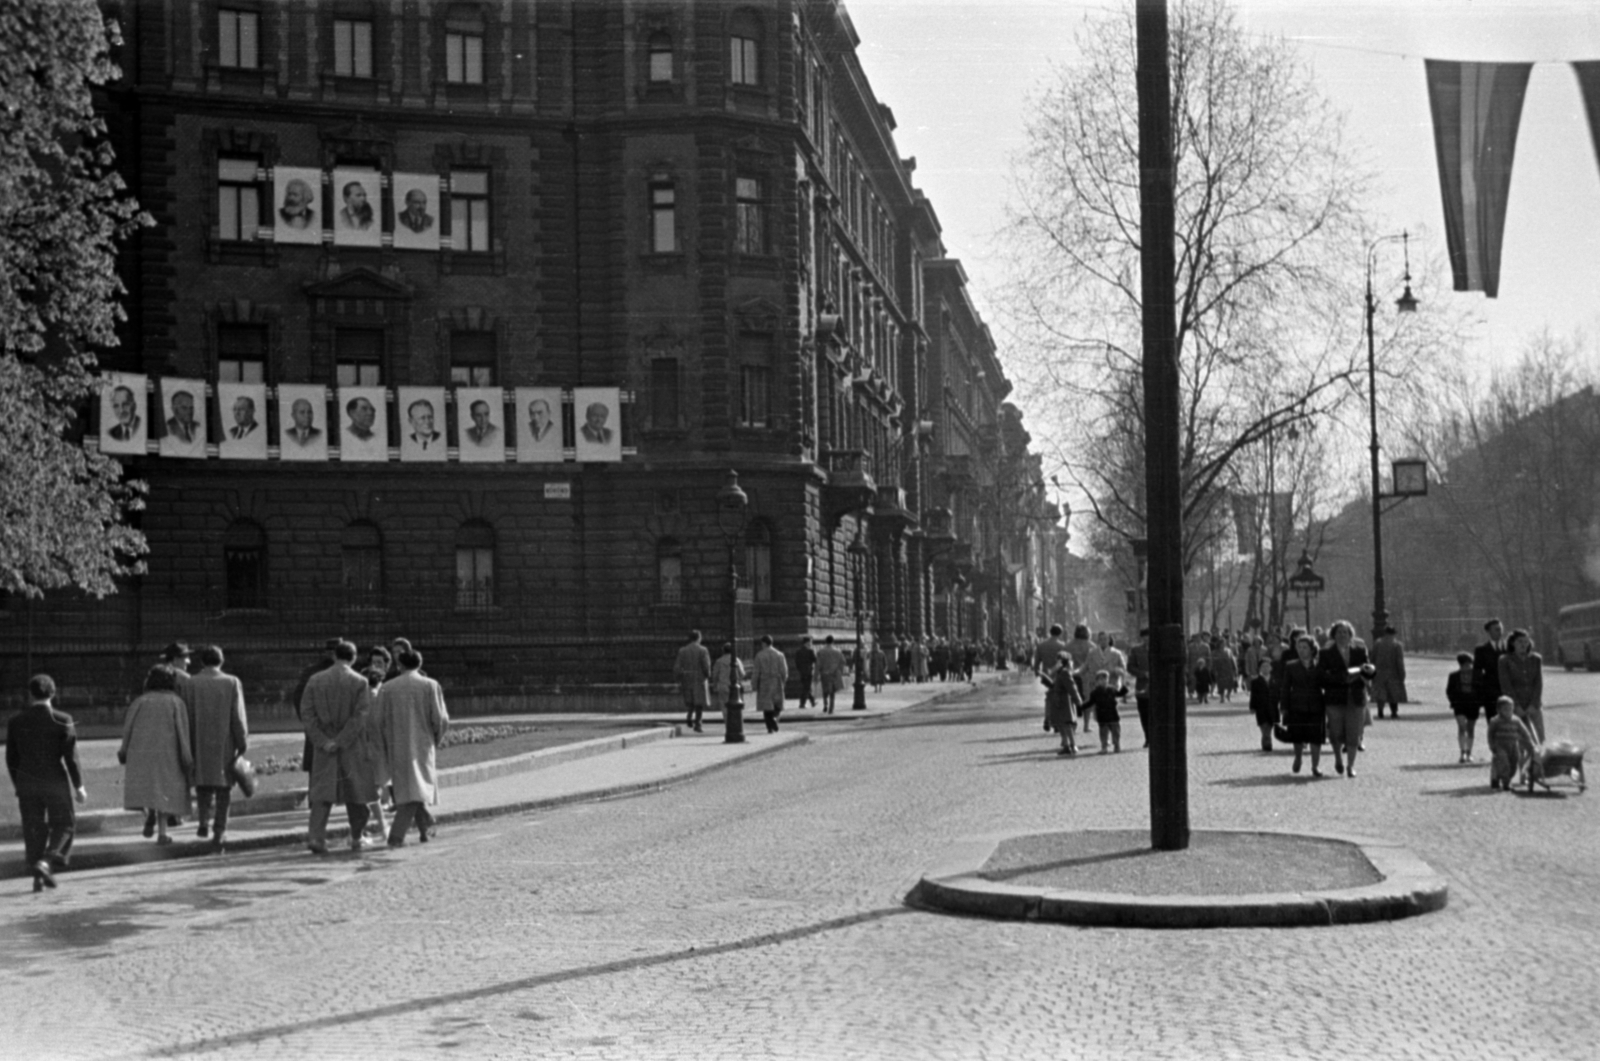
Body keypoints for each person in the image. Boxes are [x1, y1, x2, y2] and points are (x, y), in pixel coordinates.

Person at [7, 675, 85, 891]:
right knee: (65, 823)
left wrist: (18, 784)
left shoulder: (16, 721)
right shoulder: (63, 719)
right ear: (53, 693)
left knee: (33, 828)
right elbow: (71, 758)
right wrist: (79, 785)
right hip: (54, 780)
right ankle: (47, 861)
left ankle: (38, 874)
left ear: (31, 694)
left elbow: (11, 759)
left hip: (26, 782)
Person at [301, 640, 379, 854]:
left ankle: (316, 837)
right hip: (351, 746)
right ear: (353, 658)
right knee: (357, 794)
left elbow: (307, 714)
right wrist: (342, 740)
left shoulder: (315, 680)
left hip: (323, 745)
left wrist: (322, 740)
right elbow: (360, 716)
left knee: (321, 795)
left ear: (334, 656)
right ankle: (356, 836)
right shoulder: (360, 682)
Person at [379, 649, 450, 846]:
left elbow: (377, 720)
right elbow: (441, 719)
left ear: (400, 665)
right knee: (416, 788)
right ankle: (408, 831)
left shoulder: (387, 688)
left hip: (396, 744)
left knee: (409, 788)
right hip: (423, 743)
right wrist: (435, 738)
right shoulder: (430, 685)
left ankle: (416, 829)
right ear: (419, 664)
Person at [119, 666, 193, 845]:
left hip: (141, 751)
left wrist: (123, 750)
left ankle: (149, 814)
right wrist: (187, 757)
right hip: (167, 753)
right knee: (164, 791)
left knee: (150, 787)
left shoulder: (139, 701)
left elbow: (127, 728)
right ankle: (162, 833)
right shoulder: (176, 702)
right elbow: (182, 732)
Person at [186, 645, 248, 851]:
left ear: (202, 662)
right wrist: (242, 741)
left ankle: (203, 820)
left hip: (198, 739)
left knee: (203, 783)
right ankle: (219, 831)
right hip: (225, 742)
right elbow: (237, 716)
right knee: (224, 789)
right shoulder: (231, 682)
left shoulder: (191, 683)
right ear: (221, 661)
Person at [1316, 620, 1373, 778]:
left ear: (1350, 635)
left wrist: (1366, 674)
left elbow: (1368, 670)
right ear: (1333, 635)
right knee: (1336, 732)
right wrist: (1339, 678)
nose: (1342, 635)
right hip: (1335, 698)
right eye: (1339, 632)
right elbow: (1321, 676)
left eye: (1345, 632)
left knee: (1353, 733)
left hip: (1356, 698)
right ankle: (1338, 759)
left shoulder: (1360, 651)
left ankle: (1351, 766)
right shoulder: (1326, 653)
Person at [292, 638, 343, 777]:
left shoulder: (311, 671)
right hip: (335, 728)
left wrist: (308, 720)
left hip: (317, 727)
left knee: (317, 775)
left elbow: (298, 698)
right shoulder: (347, 673)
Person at [1280, 634, 1325, 776]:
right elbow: (1285, 687)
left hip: (1316, 705)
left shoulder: (1320, 666)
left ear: (1312, 649)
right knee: (1298, 736)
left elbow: (1326, 684)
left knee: (1316, 737)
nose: (1301, 650)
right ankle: (1298, 758)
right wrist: (1284, 707)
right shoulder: (1291, 666)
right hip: (1297, 705)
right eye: (1299, 647)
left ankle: (1315, 766)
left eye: (1305, 647)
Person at [1498, 628, 1545, 743]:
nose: (1523, 644)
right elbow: (1506, 685)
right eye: (1519, 641)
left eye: (1525, 641)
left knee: (1541, 738)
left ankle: (1540, 760)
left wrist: (1534, 704)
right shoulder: (1505, 660)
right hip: (1516, 706)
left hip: (1533, 704)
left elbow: (1538, 683)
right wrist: (1516, 706)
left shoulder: (1536, 659)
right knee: (1526, 740)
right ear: (1512, 643)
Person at [1043, 656, 1081, 756]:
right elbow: (1055, 685)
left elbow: (1071, 687)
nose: (1055, 664)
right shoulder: (1059, 672)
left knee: (1067, 724)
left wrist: (1078, 700)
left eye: (1057, 661)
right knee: (1061, 724)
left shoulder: (1064, 672)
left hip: (1064, 701)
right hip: (1057, 701)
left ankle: (1073, 745)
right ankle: (1066, 746)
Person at [674, 630, 711, 732]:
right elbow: (706, 665)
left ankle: (689, 717)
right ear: (699, 638)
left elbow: (677, 667)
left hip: (687, 677)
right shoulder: (703, 650)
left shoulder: (683, 650)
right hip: (699, 678)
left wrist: (679, 677)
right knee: (699, 703)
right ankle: (698, 724)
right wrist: (707, 675)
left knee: (690, 701)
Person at [1445, 652, 1479, 763]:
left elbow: (1482, 690)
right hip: (1459, 704)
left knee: (1471, 728)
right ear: (1460, 665)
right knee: (1461, 727)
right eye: (1465, 664)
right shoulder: (1453, 676)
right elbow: (1449, 691)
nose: (1468, 666)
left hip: (1473, 704)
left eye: (1470, 664)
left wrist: (1479, 702)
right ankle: (1462, 753)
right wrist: (1454, 702)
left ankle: (1469, 753)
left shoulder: (1478, 675)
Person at [1472, 618, 1507, 724]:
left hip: (1508, 691)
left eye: (1500, 629)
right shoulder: (1481, 650)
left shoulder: (1509, 649)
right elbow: (1477, 672)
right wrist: (1481, 694)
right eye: (1496, 629)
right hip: (1490, 693)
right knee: (1493, 722)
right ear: (1488, 632)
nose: (1499, 632)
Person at [751, 635, 788, 733]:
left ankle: (769, 727)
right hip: (776, 680)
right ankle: (775, 718)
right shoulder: (780, 654)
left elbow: (756, 671)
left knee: (766, 706)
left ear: (764, 643)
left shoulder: (759, 655)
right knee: (777, 705)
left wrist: (754, 684)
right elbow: (784, 671)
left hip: (764, 681)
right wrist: (783, 681)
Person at [1370, 625, 1407, 719]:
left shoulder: (1377, 643)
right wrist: (1402, 674)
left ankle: (1380, 712)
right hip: (1393, 673)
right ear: (1394, 634)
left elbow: (1372, 658)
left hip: (1379, 673)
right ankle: (1394, 712)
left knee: (1380, 693)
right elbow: (1399, 661)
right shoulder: (1397, 645)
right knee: (1393, 693)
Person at [1487, 696, 1522, 790]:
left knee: (1514, 763)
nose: (1508, 711)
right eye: (1505, 709)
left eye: (1511, 709)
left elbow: (1524, 732)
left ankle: (1499, 777)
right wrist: (1492, 745)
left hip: (1513, 746)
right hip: (1500, 746)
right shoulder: (1495, 721)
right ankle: (1506, 783)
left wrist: (1530, 743)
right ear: (1499, 710)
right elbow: (1490, 735)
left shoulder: (1516, 720)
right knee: (1504, 763)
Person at [709, 641, 747, 728]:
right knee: (737, 706)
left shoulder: (719, 661)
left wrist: (715, 685)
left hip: (723, 686)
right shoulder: (736, 660)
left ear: (723, 650)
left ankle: (728, 724)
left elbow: (715, 675)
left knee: (724, 706)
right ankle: (737, 724)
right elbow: (742, 674)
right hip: (735, 686)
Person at [1125, 628, 1152, 748]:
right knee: (1144, 714)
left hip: (1158, 688)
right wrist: (1143, 673)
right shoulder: (1136, 650)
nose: (1147, 639)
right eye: (1144, 637)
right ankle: (1148, 738)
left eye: (1149, 637)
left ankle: (1157, 737)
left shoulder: (1159, 649)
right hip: (1142, 688)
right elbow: (1130, 667)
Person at [1086, 670, 1122, 753]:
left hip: (1113, 714)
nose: (1103, 681)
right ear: (1097, 681)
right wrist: (1082, 706)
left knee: (1116, 731)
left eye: (1105, 679)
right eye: (1101, 679)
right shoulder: (1095, 692)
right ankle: (1104, 747)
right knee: (1103, 732)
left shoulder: (1112, 689)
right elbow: (1091, 702)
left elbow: (1118, 696)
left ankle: (1117, 745)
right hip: (1102, 714)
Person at [1248, 658, 1275, 753]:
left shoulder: (1275, 680)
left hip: (1272, 708)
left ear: (1271, 668)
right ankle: (1267, 745)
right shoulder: (1255, 681)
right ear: (1259, 668)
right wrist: (1252, 707)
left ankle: (1266, 742)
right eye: (1263, 666)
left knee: (1270, 726)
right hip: (1261, 708)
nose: (1265, 668)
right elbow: (1253, 696)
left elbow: (1280, 694)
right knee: (1264, 727)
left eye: (1267, 666)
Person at [816, 635, 846, 713]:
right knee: (832, 691)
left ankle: (825, 704)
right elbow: (843, 662)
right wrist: (840, 671)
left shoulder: (821, 651)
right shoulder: (838, 651)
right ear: (833, 642)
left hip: (824, 673)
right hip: (834, 673)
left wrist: (816, 674)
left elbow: (818, 664)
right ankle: (831, 708)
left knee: (825, 690)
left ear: (826, 641)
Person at [794, 635, 818, 709]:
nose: (811, 644)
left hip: (802, 672)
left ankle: (812, 701)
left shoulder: (798, 651)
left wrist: (800, 669)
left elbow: (797, 662)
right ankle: (802, 703)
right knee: (806, 688)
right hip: (809, 671)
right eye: (810, 643)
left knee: (806, 687)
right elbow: (815, 660)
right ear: (807, 643)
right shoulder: (810, 651)